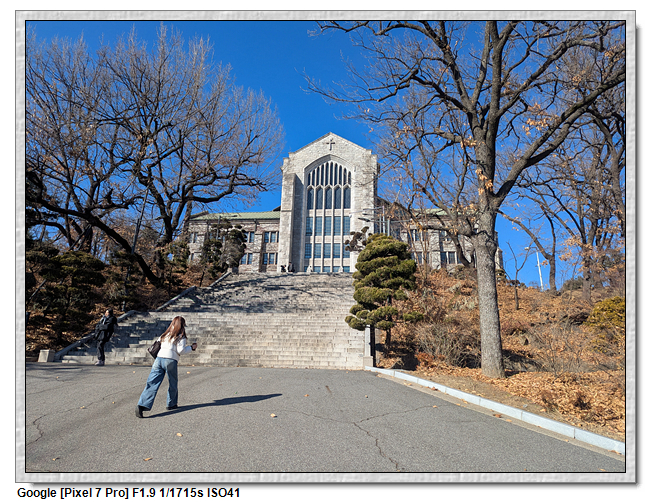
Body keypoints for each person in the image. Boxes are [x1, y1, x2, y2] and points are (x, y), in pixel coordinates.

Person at [136, 316, 197, 418]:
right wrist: (192, 347)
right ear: (182, 325)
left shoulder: (165, 334)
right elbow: (181, 350)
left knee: (152, 383)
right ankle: (171, 403)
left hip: (158, 359)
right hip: (170, 360)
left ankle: (142, 405)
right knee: (173, 382)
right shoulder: (180, 336)